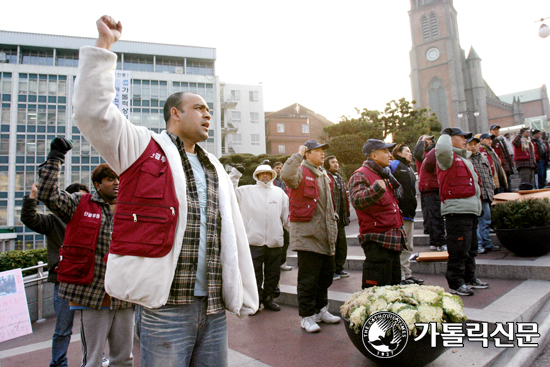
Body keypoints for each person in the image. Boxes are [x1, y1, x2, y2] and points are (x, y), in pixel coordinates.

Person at [70, 15, 258, 366]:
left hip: (214, 307)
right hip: (166, 307)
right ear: (175, 113)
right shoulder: (141, 148)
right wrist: (104, 47)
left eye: (209, 109)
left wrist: (244, 290)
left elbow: (232, 234)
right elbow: (91, 112)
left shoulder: (214, 166)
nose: (207, 114)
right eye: (199, 107)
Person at [37, 140, 134, 367]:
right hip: (93, 296)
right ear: (97, 184)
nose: (117, 183)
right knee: (92, 360)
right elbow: (48, 195)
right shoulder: (81, 203)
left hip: (124, 296)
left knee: (124, 359)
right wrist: (55, 157)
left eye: (119, 178)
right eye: (111, 179)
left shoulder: (130, 208)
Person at [22, 181, 89, 367]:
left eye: (85, 198)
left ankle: (93, 360)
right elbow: (29, 218)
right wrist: (33, 196)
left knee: (92, 327)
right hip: (65, 281)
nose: (82, 201)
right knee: (63, 329)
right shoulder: (54, 220)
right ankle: (59, 363)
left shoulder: (94, 218)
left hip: (90, 280)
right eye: (77, 198)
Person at [280, 140, 340, 333]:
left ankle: (321, 310)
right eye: (318, 151)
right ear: (307, 154)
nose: (322, 154)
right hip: (308, 235)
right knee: (308, 279)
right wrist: (297, 155)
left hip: (326, 235)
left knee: (325, 276)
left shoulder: (324, 175)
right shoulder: (300, 171)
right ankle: (306, 317)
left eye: (323, 151)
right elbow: (286, 175)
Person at [435, 127, 488, 296]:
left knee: (471, 249)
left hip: (470, 211)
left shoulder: (464, 158)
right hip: (457, 212)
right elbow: (442, 148)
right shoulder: (447, 158)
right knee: (458, 250)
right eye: (461, 137)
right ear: (450, 139)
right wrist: (445, 134)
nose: (465, 140)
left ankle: (469, 278)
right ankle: (456, 283)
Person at [230, 164, 289, 313]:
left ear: (272, 176)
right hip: (253, 240)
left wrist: (295, 236)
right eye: (261, 173)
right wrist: (235, 174)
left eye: (268, 173)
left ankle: (269, 299)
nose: (264, 176)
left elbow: (287, 216)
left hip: (275, 241)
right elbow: (228, 192)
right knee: (253, 275)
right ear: (256, 175)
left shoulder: (279, 192)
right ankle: (254, 303)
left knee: (273, 274)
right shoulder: (246, 191)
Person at [349, 139, 407, 290]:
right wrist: (376, 189)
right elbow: (356, 200)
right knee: (376, 293)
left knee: (393, 289)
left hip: (393, 241)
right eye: (386, 151)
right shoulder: (360, 174)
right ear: (374, 156)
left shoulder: (384, 174)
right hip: (378, 243)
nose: (390, 155)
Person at [390, 144, 423, 285]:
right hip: (400, 213)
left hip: (409, 212)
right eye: (407, 151)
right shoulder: (394, 165)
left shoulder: (408, 167)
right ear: (398, 153)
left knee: (408, 246)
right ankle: (401, 276)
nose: (410, 154)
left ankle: (408, 275)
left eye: (410, 151)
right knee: (401, 246)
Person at [466, 136, 498, 254]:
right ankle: (478, 244)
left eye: (475, 144)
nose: (473, 146)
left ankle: (486, 242)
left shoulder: (483, 158)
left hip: (486, 194)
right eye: (470, 144)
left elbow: (489, 175)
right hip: (475, 195)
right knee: (478, 221)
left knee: (486, 220)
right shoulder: (466, 159)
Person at [324, 155, 351, 280]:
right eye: (333, 162)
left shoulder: (339, 178)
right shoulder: (326, 177)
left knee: (342, 245)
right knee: (332, 245)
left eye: (337, 161)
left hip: (341, 217)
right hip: (331, 218)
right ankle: (332, 270)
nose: (336, 164)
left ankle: (339, 268)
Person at [418, 146, 446, 252]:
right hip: (432, 189)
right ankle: (440, 243)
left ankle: (434, 242)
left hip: (428, 189)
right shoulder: (436, 152)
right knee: (437, 217)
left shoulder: (433, 154)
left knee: (433, 217)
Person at [272, 161, 292, 271]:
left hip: (284, 214)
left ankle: (282, 262)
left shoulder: (284, 182)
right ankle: (275, 263)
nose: (279, 169)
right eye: (277, 167)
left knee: (286, 239)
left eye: (281, 168)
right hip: (274, 215)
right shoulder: (271, 182)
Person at [489, 124, 514, 192]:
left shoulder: (501, 140)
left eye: (497, 129)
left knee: (508, 185)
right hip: (498, 167)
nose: (496, 131)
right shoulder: (491, 140)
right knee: (501, 186)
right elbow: (491, 145)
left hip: (505, 166)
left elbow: (506, 153)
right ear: (490, 131)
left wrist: (510, 165)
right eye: (494, 130)